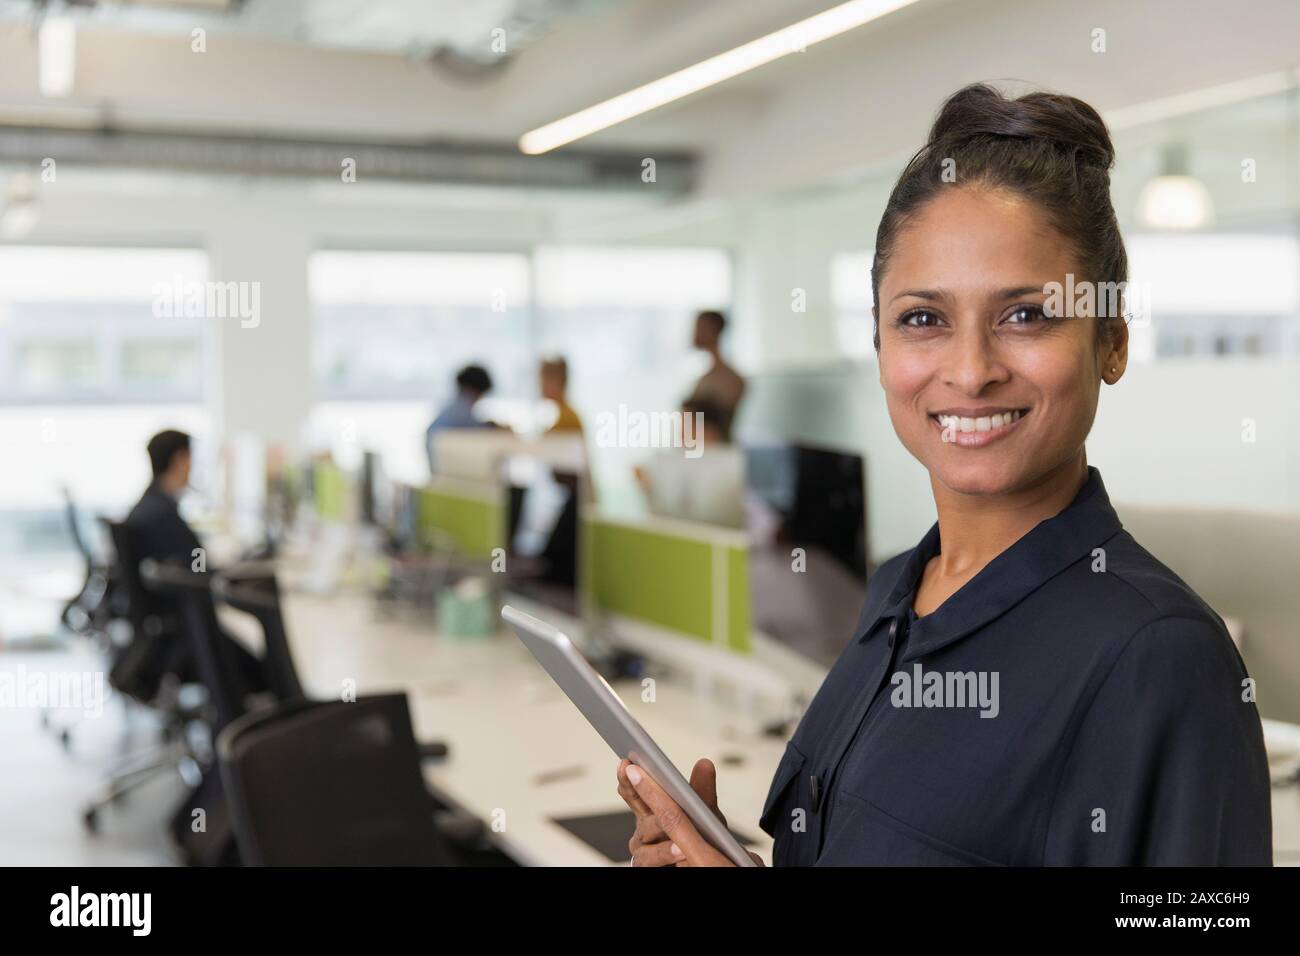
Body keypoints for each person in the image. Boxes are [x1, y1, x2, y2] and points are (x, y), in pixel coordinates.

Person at [616, 83, 1271, 866]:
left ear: (1113, 342)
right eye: (923, 319)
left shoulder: (1160, 658)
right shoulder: (897, 590)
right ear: (882, 345)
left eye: (1026, 314)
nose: (970, 371)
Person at [124, 429, 268, 698]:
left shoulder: (151, 505)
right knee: (265, 666)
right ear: (181, 459)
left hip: (166, 625)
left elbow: (193, 560)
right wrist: (233, 571)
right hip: (186, 628)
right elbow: (199, 570)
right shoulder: (162, 515)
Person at [685, 310, 745, 440]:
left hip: (714, 453)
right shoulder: (704, 378)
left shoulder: (731, 380)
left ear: (712, 330)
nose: (693, 333)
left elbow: (715, 428)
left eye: (698, 327)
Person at [426, 364, 495, 474]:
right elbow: (480, 430)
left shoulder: (451, 407)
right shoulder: (461, 409)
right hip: (452, 476)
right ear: (477, 390)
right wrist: (494, 426)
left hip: (439, 473)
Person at [539, 356, 583, 434]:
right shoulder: (543, 414)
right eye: (542, 379)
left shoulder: (569, 419)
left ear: (562, 382)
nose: (542, 386)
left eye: (548, 379)